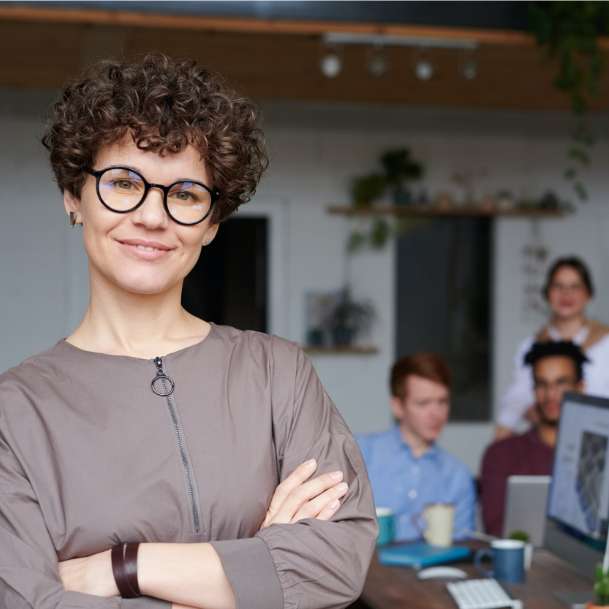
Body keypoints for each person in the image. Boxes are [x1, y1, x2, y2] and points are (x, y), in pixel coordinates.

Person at [0, 55, 377, 609]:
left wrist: (124, 568)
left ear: (211, 223)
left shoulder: (279, 374)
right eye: (124, 183)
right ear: (73, 197)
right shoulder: (14, 413)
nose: (153, 217)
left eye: (183, 194)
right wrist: (258, 567)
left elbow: (338, 561)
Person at [356, 353, 475, 542]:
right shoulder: (360, 452)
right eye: (423, 403)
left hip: (432, 571)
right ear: (397, 407)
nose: (436, 413)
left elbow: (461, 545)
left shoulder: (457, 474)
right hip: (365, 569)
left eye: (442, 402)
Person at [480, 340, 587, 536]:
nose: (551, 395)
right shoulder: (501, 454)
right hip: (527, 563)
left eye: (561, 383)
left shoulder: (599, 455)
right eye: (542, 384)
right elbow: (496, 531)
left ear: (580, 387)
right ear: (533, 390)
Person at [497, 256, 609, 437]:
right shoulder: (532, 346)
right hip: (549, 443)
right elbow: (515, 403)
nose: (566, 295)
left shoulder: (606, 343)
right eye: (558, 286)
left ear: (588, 294)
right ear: (547, 293)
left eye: (575, 287)